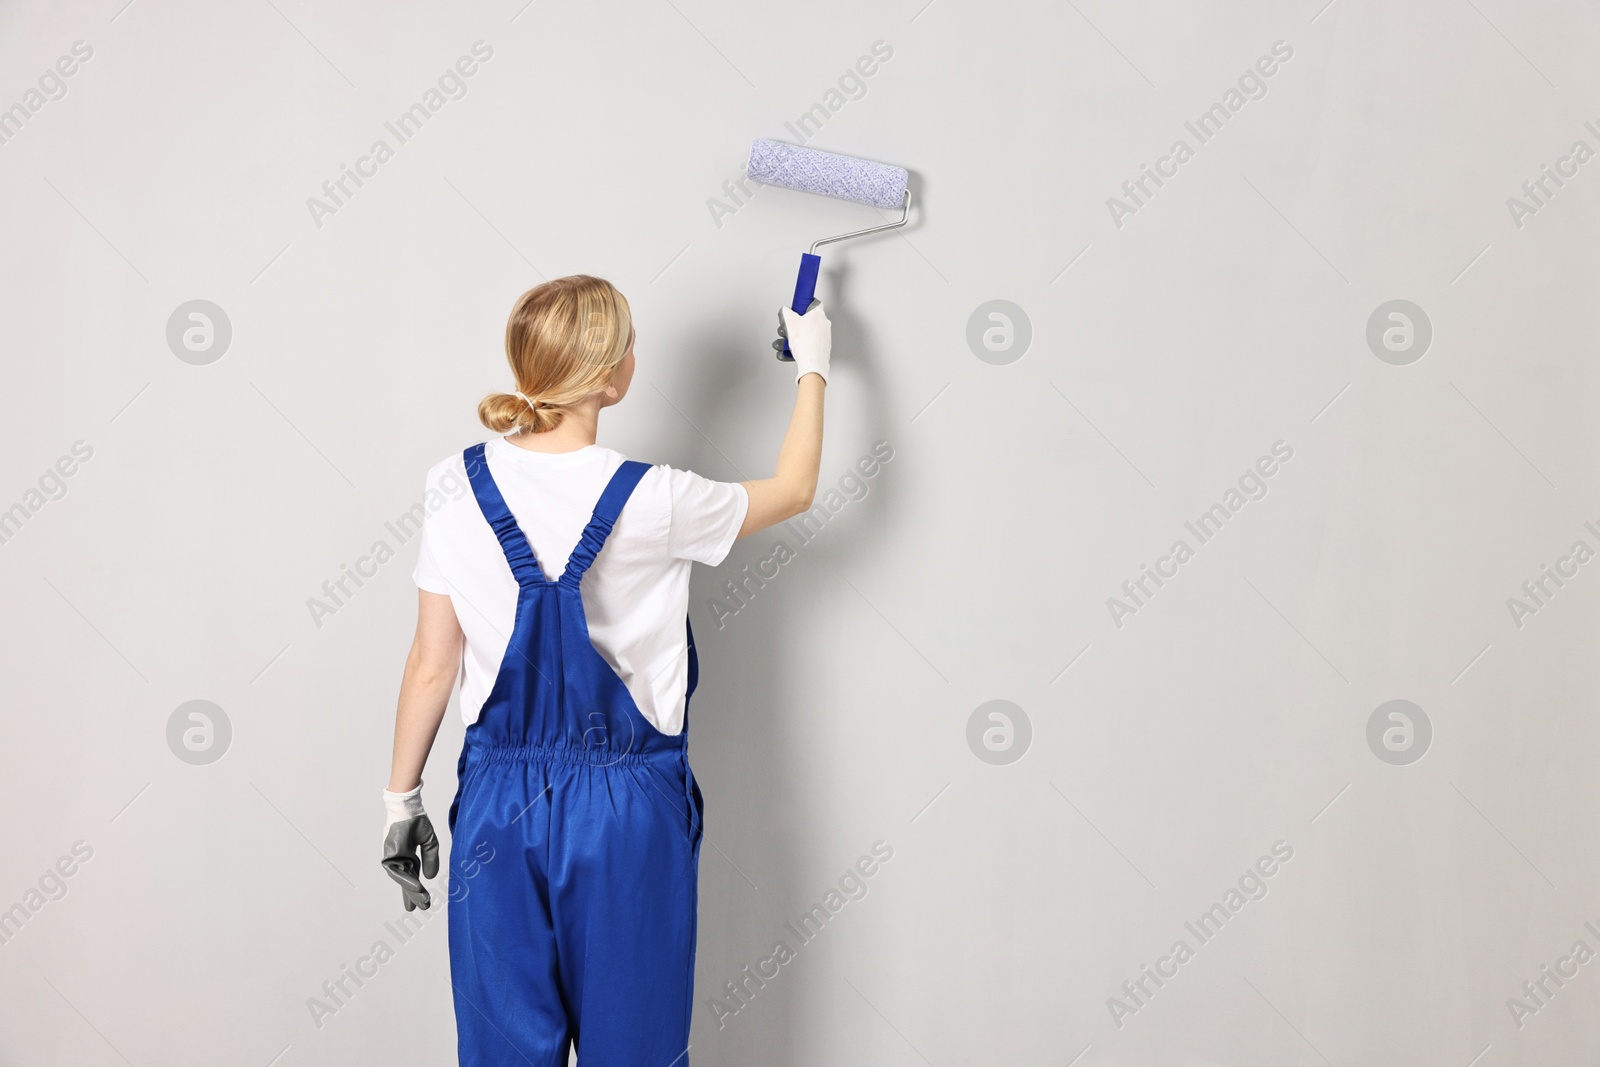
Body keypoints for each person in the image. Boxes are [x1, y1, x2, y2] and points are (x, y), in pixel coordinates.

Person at [378, 274, 830, 1066]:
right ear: (609, 375)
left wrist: (400, 798)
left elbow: (430, 662)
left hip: (496, 809)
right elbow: (794, 491)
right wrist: (814, 364)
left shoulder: (451, 483)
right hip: (625, 813)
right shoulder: (657, 498)